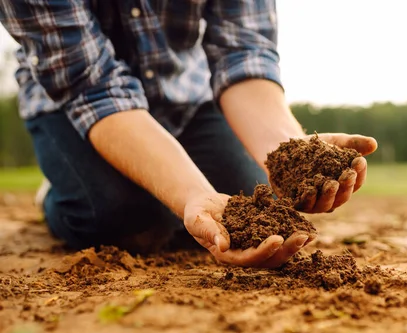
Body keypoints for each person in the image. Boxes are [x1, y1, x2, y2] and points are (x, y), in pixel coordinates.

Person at [0, 1, 377, 268]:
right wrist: (191, 194)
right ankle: (58, 194)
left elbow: (243, 51)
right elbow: (94, 88)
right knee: (124, 219)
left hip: (185, 94)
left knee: (247, 193)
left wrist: (287, 151)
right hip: (73, 107)